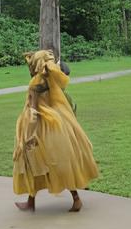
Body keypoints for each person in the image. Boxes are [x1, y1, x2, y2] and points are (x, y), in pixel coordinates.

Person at [12, 49, 99, 212]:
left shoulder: (35, 83)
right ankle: (71, 199)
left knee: (33, 162)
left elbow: (33, 109)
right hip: (58, 124)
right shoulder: (50, 79)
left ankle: (32, 202)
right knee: (59, 162)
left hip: (41, 126)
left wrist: (29, 134)